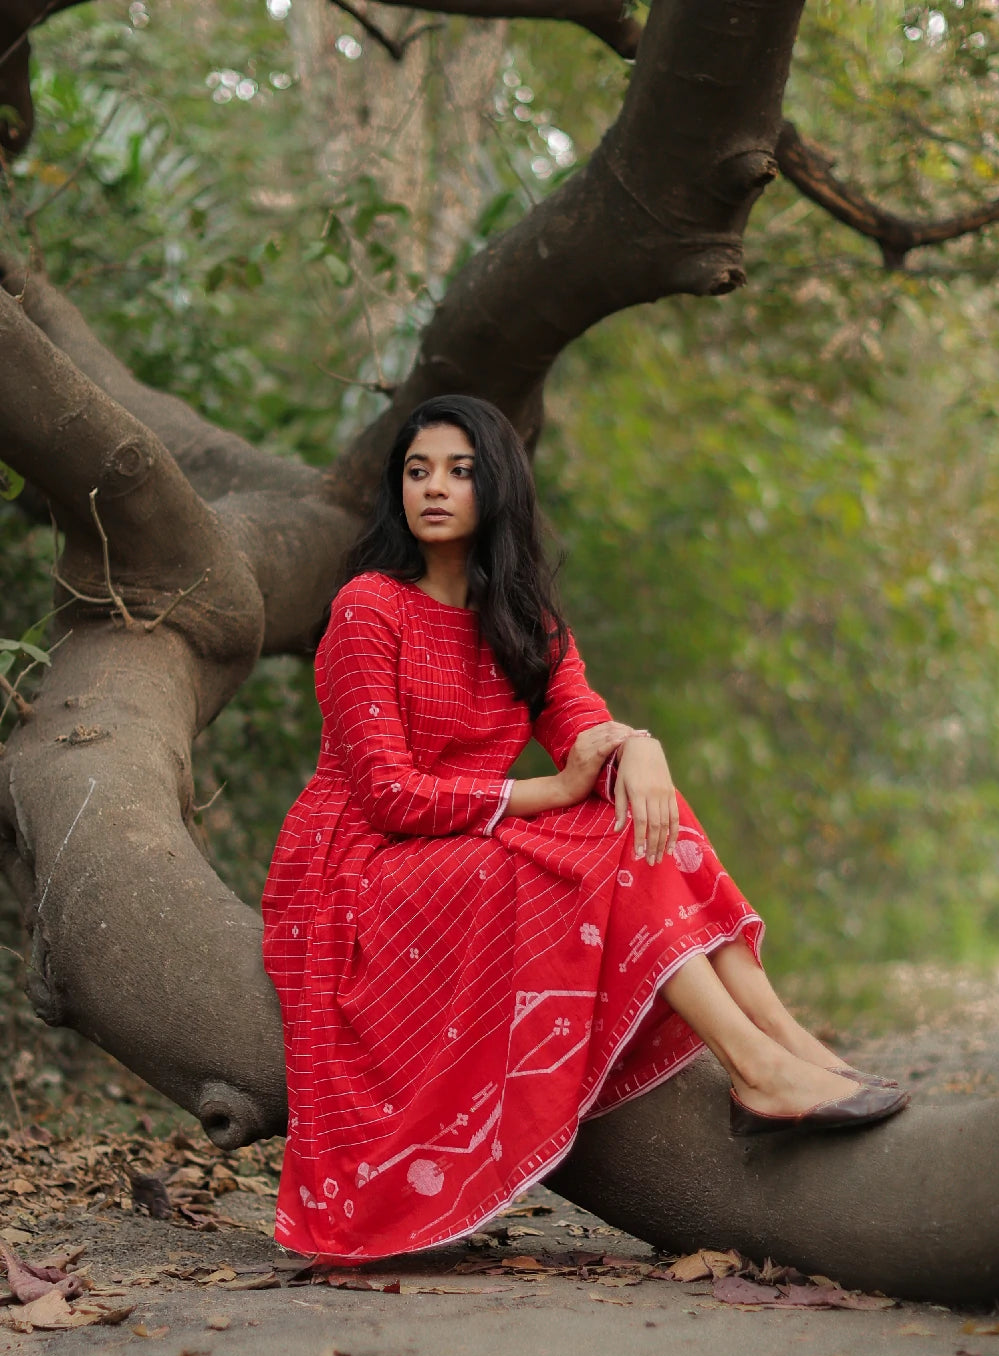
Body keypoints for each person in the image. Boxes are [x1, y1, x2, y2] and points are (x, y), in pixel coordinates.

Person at [261, 395, 908, 1263]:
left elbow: (585, 728)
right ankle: (756, 1070)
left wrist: (639, 748)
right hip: (362, 866)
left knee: (653, 820)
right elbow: (389, 797)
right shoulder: (368, 609)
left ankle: (788, 1047)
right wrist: (552, 788)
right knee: (605, 842)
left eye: (459, 471)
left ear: (497, 487)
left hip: (462, 842)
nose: (435, 489)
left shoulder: (523, 618)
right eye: (418, 472)